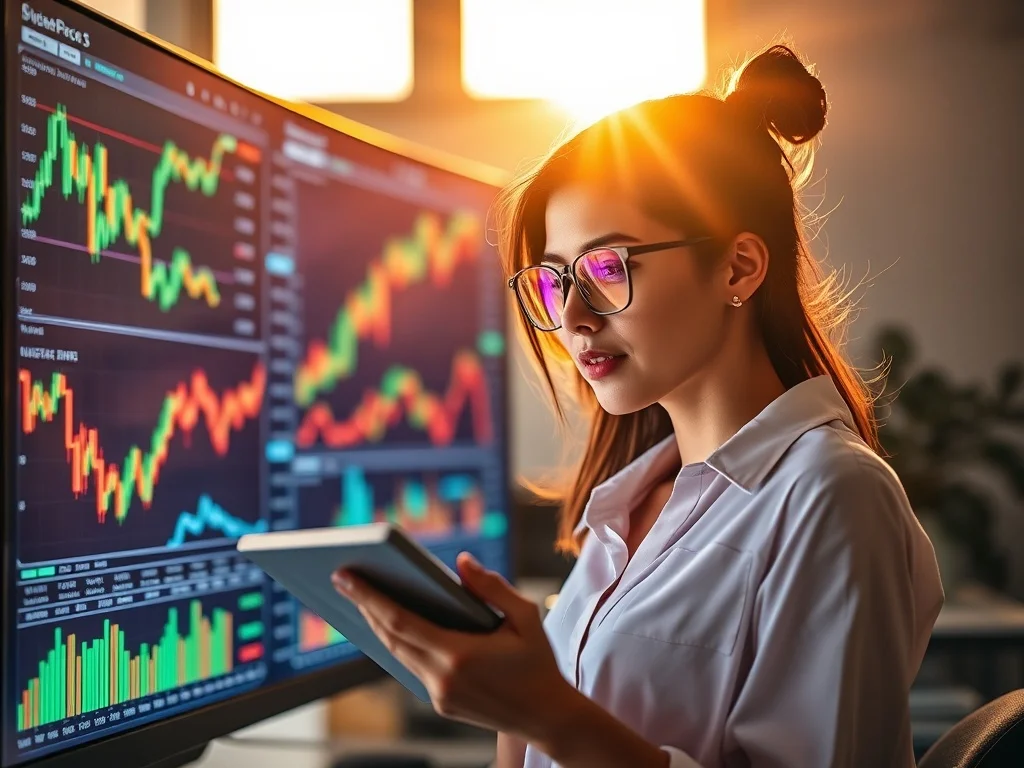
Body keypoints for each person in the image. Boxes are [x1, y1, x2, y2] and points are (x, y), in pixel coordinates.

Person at [331, 42, 945, 768]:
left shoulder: (831, 495)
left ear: (738, 267)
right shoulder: (629, 506)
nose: (574, 317)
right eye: (557, 281)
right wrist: (511, 699)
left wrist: (548, 713)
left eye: (607, 267)